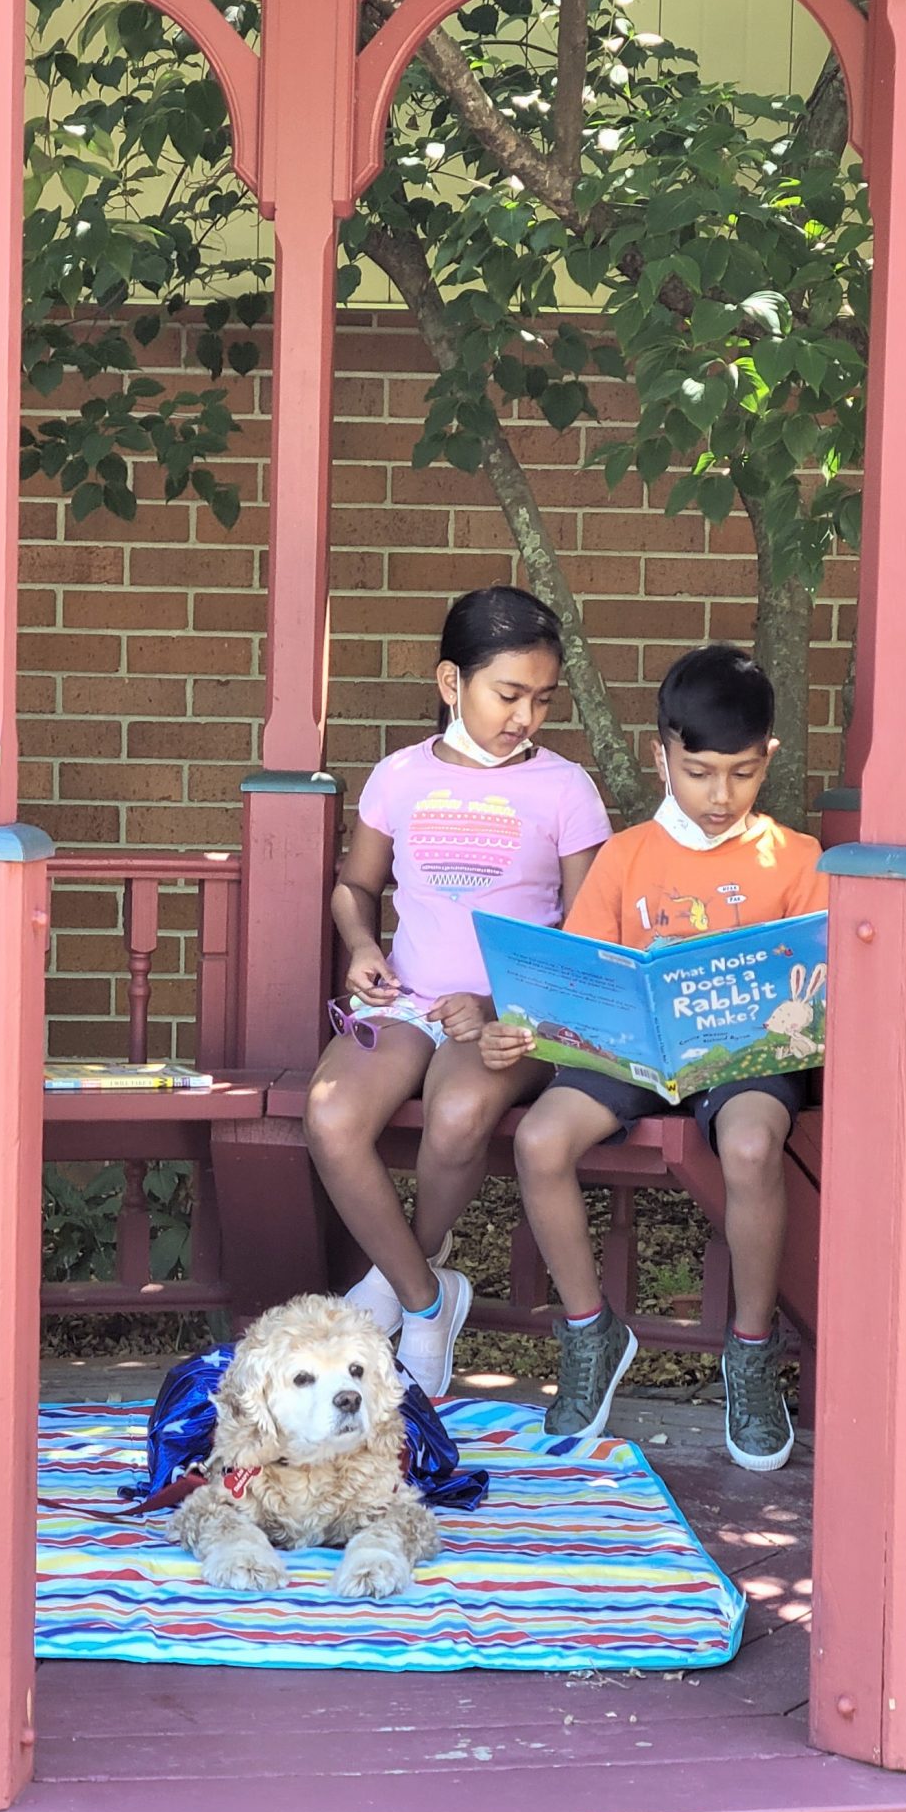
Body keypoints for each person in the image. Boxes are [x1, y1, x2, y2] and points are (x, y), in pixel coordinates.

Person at [481, 644, 828, 1471]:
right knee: (537, 1140)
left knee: (748, 1146)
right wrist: (521, 1030)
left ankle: (748, 1350)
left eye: (742, 774)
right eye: (699, 771)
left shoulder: (798, 859)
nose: (719, 796)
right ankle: (590, 1332)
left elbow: (813, 995)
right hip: (628, 1056)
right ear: (660, 751)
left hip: (743, 1059)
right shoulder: (626, 855)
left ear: (766, 759)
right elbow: (572, 985)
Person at [304, 586, 611, 1400]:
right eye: (508, 694)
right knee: (331, 1117)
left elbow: (588, 932)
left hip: (513, 1014)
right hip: (407, 1000)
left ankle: (400, 1276)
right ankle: (427, 1297)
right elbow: (353, 886)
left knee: (456, 1113)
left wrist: (495, 1002)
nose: (526, 717)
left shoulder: (564, 789)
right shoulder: (399, 776)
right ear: (451, 683)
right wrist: (363, 947)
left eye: (541, 699)